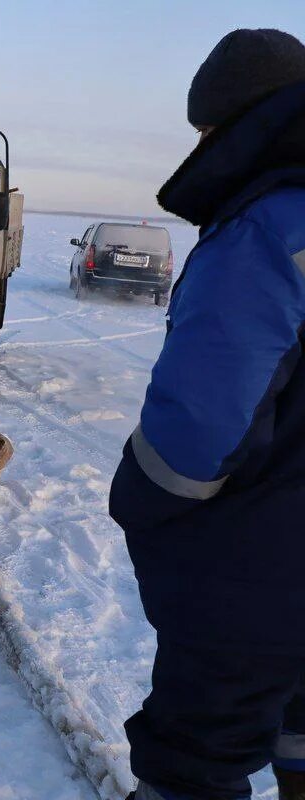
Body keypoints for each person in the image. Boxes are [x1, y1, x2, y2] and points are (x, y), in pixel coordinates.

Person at [108, 29, 305, 800]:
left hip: (262, 570)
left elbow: (200, 426)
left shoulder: (269, 226)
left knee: (195, 755)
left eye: (205, 132)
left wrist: (144, 501)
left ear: (233, 121)